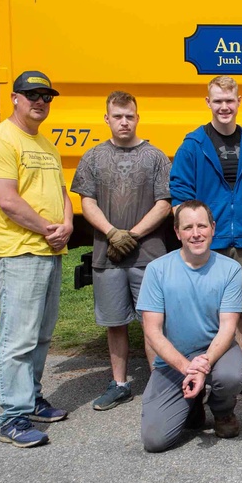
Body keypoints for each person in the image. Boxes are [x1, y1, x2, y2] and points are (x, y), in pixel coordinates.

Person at [0, 70, 71, 448]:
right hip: (19, 251)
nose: (40, 101)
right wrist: (49, 230)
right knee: (18, 338)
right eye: (32, 94)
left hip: (48, 251)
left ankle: (31, 399)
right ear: (14, 97)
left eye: (46, 96)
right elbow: (7, 201)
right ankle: (12, 417)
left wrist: (66, 222)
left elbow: (62, 192)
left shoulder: (45, 144)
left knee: (41, 334)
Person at [170, 75, 242, 406]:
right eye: (218, 101)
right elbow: (180, 198)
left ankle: (241, 377)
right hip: (206, 246)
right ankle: (199, 374)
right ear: (208, 102)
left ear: (239, 102)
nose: (224, 107)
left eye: (230, 101)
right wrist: (192, 236)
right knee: (203, 313)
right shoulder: (193, 145)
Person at [70, 91, 172, 411]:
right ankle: (120, 383)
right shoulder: (93, 157)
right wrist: (113, 233)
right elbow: (86, 201)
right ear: (107, 119)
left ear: (138, 118)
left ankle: (160, 385)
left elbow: (165, 202)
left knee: (153, 321)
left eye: (129, 116)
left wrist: (134, 234)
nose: (124, 122)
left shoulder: (156, 157)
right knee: (115, 322)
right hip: (107, 254)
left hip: (149, 255)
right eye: (117, 116)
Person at [138, 200, 242, 452]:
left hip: (216, 351)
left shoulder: (230, 269)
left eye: (202, 226)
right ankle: (193, 403)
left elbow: (228, 327)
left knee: (229, 376)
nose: (196, 233)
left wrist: (203, 364)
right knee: (155, 441)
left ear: (213, 228)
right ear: (177, 232)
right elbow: (152, 331)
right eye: (188, 228)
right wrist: (187, 368)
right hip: (175, 358)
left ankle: (222, 412)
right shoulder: (157, 270)